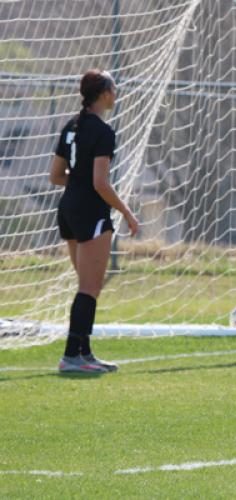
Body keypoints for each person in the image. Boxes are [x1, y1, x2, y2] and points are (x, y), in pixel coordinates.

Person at [49, 69, 138, 373]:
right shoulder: (102, 131)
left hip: (69, 209)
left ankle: (83, 353)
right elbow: (101, 183)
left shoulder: (70, 128)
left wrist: (81, 183)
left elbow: (56, 176)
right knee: (89, 287)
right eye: (114, 87)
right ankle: (72, 356)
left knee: (87, 286)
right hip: (90, 212)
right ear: (103, 94)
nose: (117, 92)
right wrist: (126, 211)